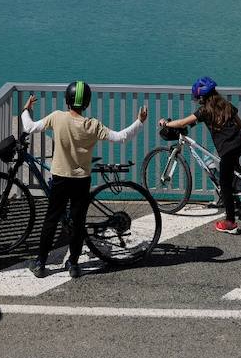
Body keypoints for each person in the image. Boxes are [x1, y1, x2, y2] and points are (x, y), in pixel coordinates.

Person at [20, 81, 147, 278]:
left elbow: (29, 127)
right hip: (81, 181)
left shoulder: (57, 117)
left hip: (60, 178)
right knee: (78, 222)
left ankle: (40, 263)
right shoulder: (93, 125)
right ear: (86, 103)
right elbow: (120, 137)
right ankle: (73, 264)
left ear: (67, 101)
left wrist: (26, 110)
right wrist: (139, 121)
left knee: (51, 220)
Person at [158, 76, 241, 234]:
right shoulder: (226, 105)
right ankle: (238, 203)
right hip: (240, 142)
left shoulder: (205, 110)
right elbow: (240, 124)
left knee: (225, 184)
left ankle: (230, 223)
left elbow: (182, 123)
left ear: (201, 97)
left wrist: (166, 123)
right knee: (232, 173)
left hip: (227, 148)